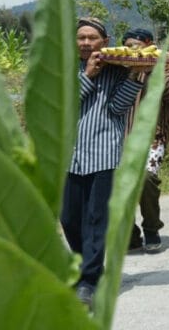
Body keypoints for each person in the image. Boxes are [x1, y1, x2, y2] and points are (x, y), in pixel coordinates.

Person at [61, 17, 146, 307]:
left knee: (96, 220)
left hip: (103, 154)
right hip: (68, 155)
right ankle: (88, 268)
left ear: (105, 42)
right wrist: (87, 74)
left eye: (91, 38)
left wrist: (135, 77)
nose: (85, 43)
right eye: (80, 38)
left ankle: (89, 280)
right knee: (69, 218)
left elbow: (116, 109)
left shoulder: (118, 70)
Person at [122, 28, 169, 253]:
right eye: (128, 46)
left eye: (136, 46)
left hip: (152, 138)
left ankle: (151, 228)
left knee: (146, 179)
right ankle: (130, 233)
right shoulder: (118, 66)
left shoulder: (167, 64)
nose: (131, 50)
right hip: (119, 137)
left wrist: (151, 68)